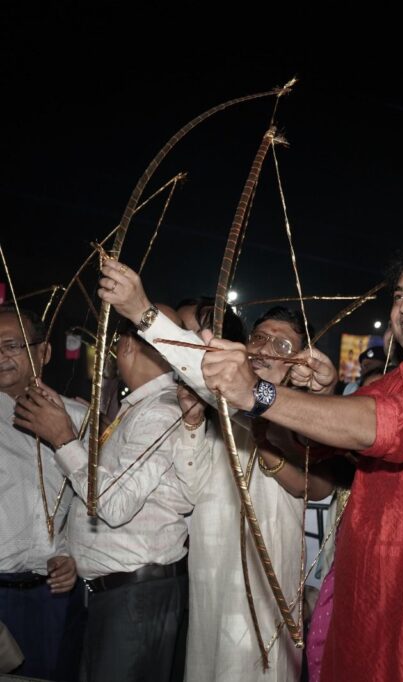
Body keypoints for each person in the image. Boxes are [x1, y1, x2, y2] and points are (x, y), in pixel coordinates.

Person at [198, 244, 403, 681]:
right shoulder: (394, 381)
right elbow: (319, 446)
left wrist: (259, 393)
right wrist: (320, 395)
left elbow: (386, 425)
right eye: (400, 294)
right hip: (360, 601)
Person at [100, 265, 339, 681]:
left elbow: (318, 486)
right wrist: (193, 426)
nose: (264, 349)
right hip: (208, 582)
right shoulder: (220, 407)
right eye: (259, 338)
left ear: (299, 365)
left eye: (282, 344)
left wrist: (142, 311)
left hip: (263, 592)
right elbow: (194, 490)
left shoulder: (299, 418)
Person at [15, 311, 191, 682]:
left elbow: (115, 504)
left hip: (135, 598)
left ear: (124, 345)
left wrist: (63, 438)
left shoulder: (160, 412)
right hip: (118, 596)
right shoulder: (138, 410)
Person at [0, 306, 84, 680]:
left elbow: (93, 504)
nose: (0, 356)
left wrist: (72, 554)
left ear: (44, 352)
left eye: (11, 345)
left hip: (54, 592)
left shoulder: (78, 419)